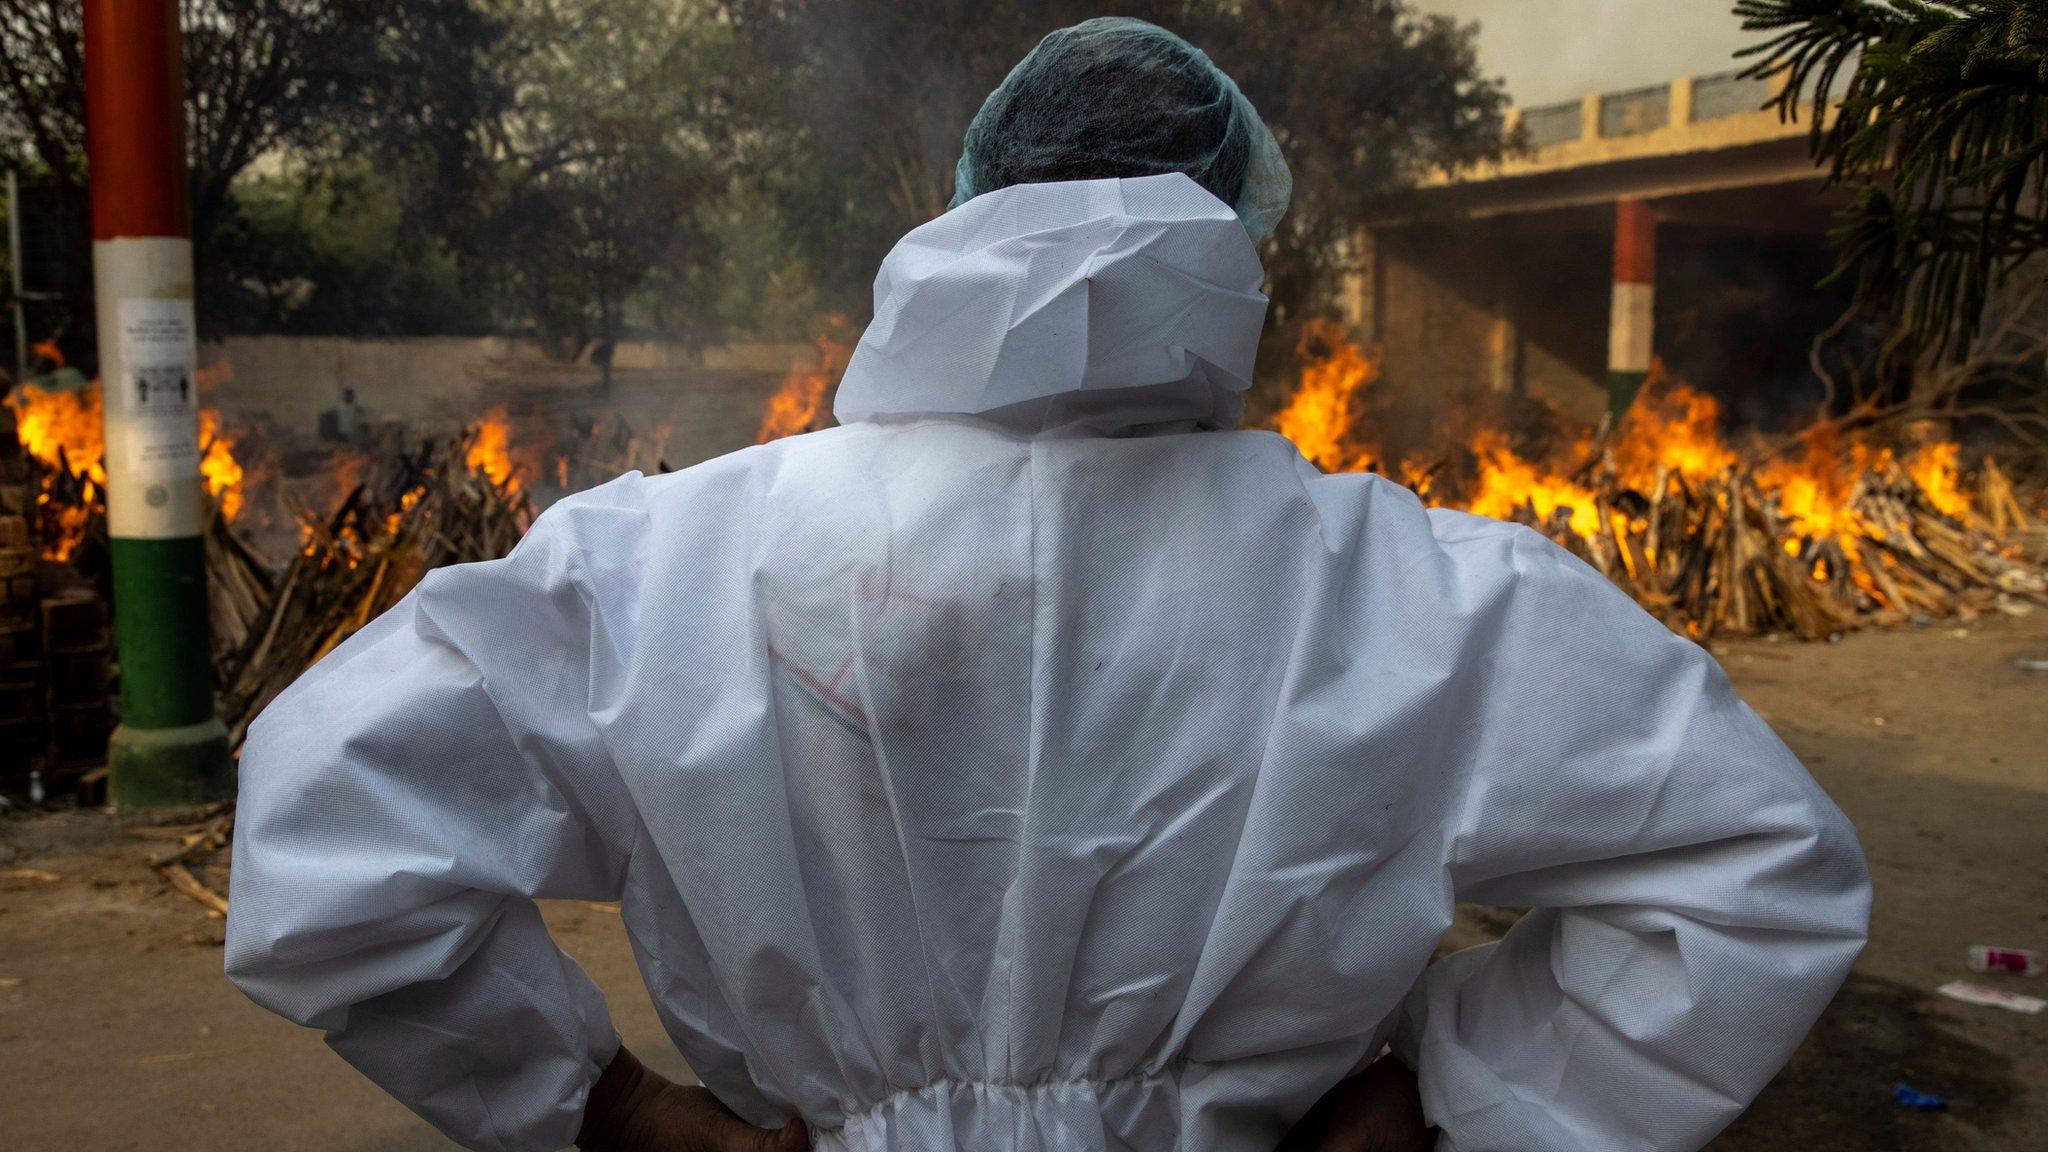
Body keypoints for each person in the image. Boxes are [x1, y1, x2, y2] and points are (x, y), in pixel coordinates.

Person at [225, 17, 1869, 1152]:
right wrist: (1451, 1094)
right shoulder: (1424, 592)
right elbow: (1756, 874)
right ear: (1234, 247)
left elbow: (327, 827)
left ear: (965, 214)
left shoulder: (663, 561)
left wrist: (599, 1108)